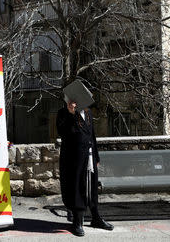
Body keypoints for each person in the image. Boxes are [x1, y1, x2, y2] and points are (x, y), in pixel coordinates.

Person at [56, 96, 114, 236]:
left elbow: (91, 135)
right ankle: (78, 221)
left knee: (91, 187)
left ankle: (95, 218)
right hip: (73, 159)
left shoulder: (87, 112)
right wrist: (71, 114)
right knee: (77, 187)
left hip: (89, 157)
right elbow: (63, 133)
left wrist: (96, 156)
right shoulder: (63, 113)